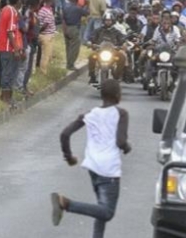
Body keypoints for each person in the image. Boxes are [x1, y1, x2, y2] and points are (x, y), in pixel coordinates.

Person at [52, 79, 131, 238]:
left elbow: (65, 134)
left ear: (102, 95)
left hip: (93, 167)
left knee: (100, 210)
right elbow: (120, 141)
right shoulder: (121, 114)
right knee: (107, 212)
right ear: (118, 96)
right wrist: (127, 147)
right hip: (109, 170)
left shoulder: (90, 114)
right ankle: (66, 203)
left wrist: (69, 157)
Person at [0, 0, 24, 104]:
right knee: (9, 72)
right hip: (8, 47)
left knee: (7, 71)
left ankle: (5, 96)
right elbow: (10, 32)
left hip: (3, 46)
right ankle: (6, 97)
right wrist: (16, 49)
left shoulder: (6, 9)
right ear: (18, 1)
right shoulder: (12, 11)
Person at [87, 12, 126, 83]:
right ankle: (92, 75)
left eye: (109, 20)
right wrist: (90, 43)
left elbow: (122, 38)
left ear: (112, 21)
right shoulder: (98, 30)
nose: (108, 22)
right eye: (106, 20)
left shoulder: (116, 31)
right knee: (91, 56)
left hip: (113, 52)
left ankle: (118, 74)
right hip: (100, 51)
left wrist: (122, 44)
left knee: (122, 57)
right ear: (103, 21)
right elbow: (92, 37)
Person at [62, 0, 88, 70]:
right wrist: (86, 4)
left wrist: (64, 29)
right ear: (77, 1)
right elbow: (86, 13)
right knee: (74, 47)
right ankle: (70, 64)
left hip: (65, 27)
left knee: (68, 46)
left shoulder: (65, 7)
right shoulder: (78, 9)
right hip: (74, 28)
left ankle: (68, 62)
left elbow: (63, 18)